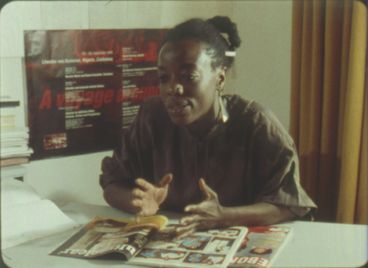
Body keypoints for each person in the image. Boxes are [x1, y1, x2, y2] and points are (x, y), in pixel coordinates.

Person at [100, 16, 317, 235]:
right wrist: (137, 201)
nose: (173, 89)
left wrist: (223, 216)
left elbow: (289, 204)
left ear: (220, 79)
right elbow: (112, 185)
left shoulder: (256, 124)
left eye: (188, 76)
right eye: (164, 78)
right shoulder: (151, 117)